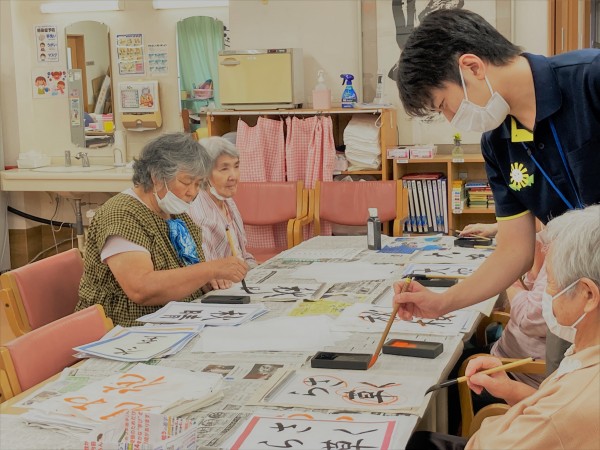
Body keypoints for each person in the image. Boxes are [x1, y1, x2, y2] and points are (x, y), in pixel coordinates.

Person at [393, 9, 600, 372]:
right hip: (575, 300)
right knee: (563, 390)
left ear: (472, 67)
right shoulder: (497, 143)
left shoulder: (590, 78)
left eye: (444, 105)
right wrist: (441, 303)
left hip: (584, 286)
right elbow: (514, 251)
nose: (451, 119)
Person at [406, 205, 600, 450]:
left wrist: (496, 422)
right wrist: (510, 389)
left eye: (550, 282)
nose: (546, 295)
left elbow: (489, 443)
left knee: (413, 441)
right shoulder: (585, 356)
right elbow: (553, 408)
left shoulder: (571, 403)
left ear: (588, 294)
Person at [75, 133, 248, 327]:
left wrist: (207, 279)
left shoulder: (174, 213)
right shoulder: (121, 215)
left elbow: (184, 272)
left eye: (198, 184)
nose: (193, 192)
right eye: (186, 182)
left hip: (175, 318)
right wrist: (210, 269)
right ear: (157, 177)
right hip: (125, 327)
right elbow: (141, 289)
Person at [188, 137, 257, 290]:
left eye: (236, 166)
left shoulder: (227, 201)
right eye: (224, 169)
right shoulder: (200, 213)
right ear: (204, 174)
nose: (233, 176)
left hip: (241, 279)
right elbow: (208, 270)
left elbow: (241, 254)